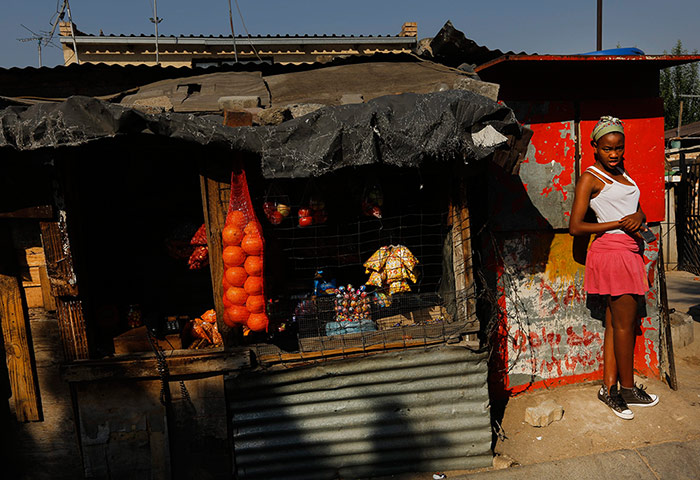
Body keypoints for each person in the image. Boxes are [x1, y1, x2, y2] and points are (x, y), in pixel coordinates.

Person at [569, 116, 659, 420]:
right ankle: (628, 389)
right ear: (595, 147)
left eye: (618, 148)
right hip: (612, 252)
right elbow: (576, 226)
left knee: (613, 324)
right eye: (608, 148)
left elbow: (635, 208)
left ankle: (610, 389)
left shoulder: (622, 172)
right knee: (624, 325)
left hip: (629, 250)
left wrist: (639, 216)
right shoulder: (590, 177)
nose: (614, 154)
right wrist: (619, 224)